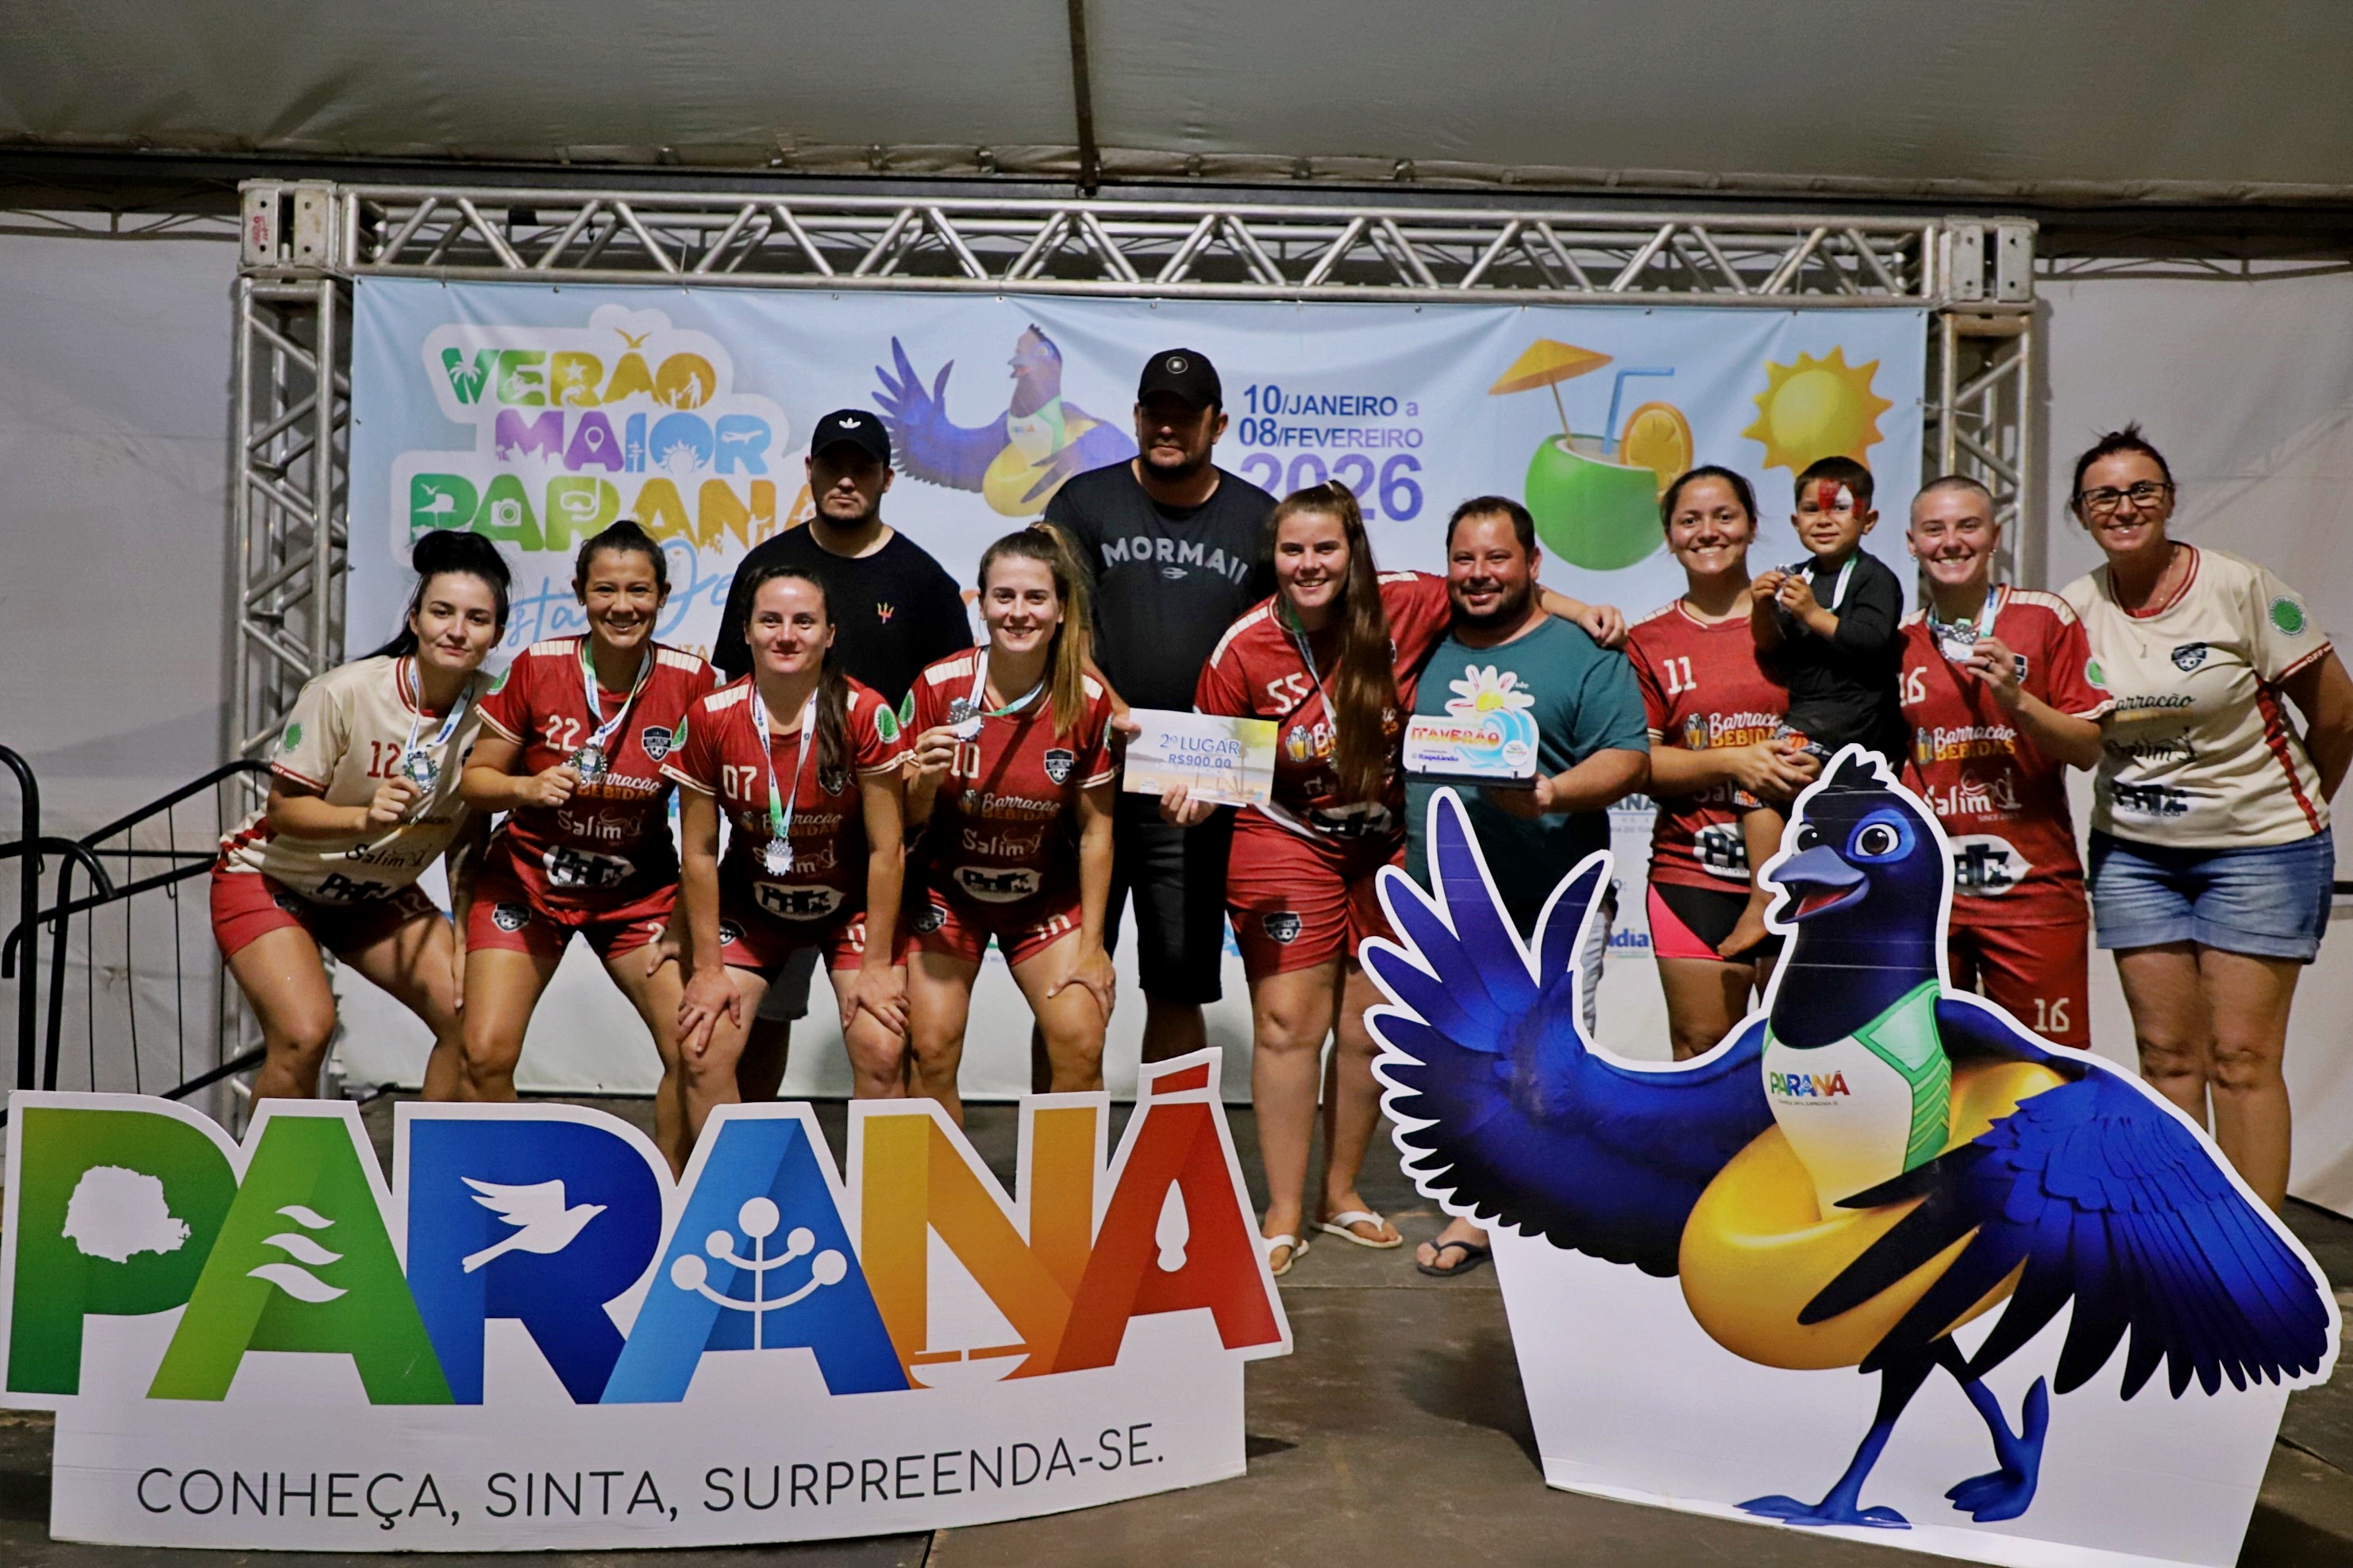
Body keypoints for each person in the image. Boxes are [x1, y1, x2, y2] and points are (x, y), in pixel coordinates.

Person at [1180, 482, 1613, 1275]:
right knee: (1287, 1021)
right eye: (1292, 550)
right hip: (1290, 835)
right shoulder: (1243, 646)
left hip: (1387, 838)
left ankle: (1340, 1194)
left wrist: (1581, 609)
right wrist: (1198, 796)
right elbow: (1213, 765)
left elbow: (1498, 585)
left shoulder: (1405, 601)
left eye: (1325, 548)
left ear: (1354, 551)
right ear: (1273, 557)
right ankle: (1282, 1209)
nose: (1309, 564)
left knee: (1367, 1025)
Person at [2060, 426, 2353, 1210]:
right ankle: (2183, 1243)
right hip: (2135, 856)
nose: (2125, 507)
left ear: (2169, 499)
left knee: (2241, 1058)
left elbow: (2336, 712)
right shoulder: (2074, 609)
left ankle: (2257, 1251)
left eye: (2142, 490)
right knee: (2165, 1058)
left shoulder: (2239, 586)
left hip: (2260, 852)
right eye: (2104, 496)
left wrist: (2294, 808)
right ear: (2082, 512)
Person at [1403, 497, 1650, 1280]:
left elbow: (1628, 758)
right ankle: (1489, 1201)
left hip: (1560, 897)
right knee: (1469, 1060)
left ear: (1533, 564)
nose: (1479, 574)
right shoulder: (1420, 638)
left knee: (1550, 1060)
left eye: (1497, 557)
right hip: (1450, 902)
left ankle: (1524, 1213)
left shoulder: (1584, 651)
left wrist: (1552, 794)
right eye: (1465, 559)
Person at [713, 409, 970, 1101]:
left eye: (863, 468)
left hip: (883, 841)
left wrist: (921, 776)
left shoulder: (924, 580)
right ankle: (754, 1156)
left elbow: (956, 699)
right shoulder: (767, 568)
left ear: (888, 478)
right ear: (811, 471)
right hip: (775, 838)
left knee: (888, 1034)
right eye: (833, 466)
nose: (847, 480)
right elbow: (733, 694)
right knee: (754, 1022)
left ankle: (888, 1172)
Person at [457, 520, 718, 1173]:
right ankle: (507, 1199)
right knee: (484, 1053)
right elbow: (475, 781)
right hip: (527, 885)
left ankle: (672, 1201)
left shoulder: (691, 679)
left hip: (636, 895)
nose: (622, 606)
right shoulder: (539, 665)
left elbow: (702, 822)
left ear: (662, 596)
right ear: (580, 592)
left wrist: (686, 921)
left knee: (693, 1051)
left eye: (638, 590)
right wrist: (526, 785)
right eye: (605, 589)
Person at [1039, 349, 1277, 1066]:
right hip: (1087, 775)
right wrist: (1116, 710)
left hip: (1195, 787)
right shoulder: (1082, 503)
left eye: (1184, 416)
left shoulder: (1259, 520)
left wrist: (1226, 766)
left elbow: (1272, 655)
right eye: (1156, 414)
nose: (1167, 428)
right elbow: (1058, 631)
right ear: (1137, 416)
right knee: (1065, 984)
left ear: (1217, 424)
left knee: (1177, 984)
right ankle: (1062, 1138)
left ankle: (1170, 1142)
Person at [211, 529, 508, 1101]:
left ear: (495, 633)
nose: (457, 630)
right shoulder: (343, 692)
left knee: (468, 1018)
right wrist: (361, 820)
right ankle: (273, 1161)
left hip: (371, 894)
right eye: (442, 612)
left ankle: (429, 1158)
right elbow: (283, 809)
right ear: (415, 618)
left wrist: (465, 936)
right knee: (304, 1033)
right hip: (273, 877)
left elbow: (470, 830)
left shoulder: (493, 710)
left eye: (477, 619)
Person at [664, 567, 912, 1142]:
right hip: (752, 909)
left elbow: (887, 848)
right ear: (746, 631)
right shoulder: (710, 716)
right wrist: (707, 969)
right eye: (770, 620)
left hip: (848, 906)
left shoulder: (864, 712)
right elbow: (697, 852)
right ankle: (737, 1196)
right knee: (702, 1049)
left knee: (881, 1048)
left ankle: (883, 1199)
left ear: (829, 634)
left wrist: (877, 966)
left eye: (804, 622)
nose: (786, 635)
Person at [902, 531, 1119, 1123]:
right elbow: (905, 823)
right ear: (981, 603)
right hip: (947, 895)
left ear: (1061, 611)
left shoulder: (1088, 699)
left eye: (1035, 598)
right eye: (1003, 596)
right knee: (930, 1046)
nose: (1018, 613)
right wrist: (923, 782)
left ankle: (1061, 1184)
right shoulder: (938, 687)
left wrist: (1093, 948)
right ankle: (939, 1183)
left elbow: (1097, 832)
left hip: (1043, 898)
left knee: (1081, 1039)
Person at [1897, 476, 2108, 1048]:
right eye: (1934, 529)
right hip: (1929, 901)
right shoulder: (1898, 641)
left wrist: (2017, 700)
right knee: (1929, 1072)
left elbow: (2088, 748)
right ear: (1912, 543)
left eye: (1968, 526)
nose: (1951, 542)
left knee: (2044, 1073)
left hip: (2032, 892)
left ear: (1994, 536)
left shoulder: (2045, 618)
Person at [1626, 467, 1818, 1062]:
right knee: (1703, 1053)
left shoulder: (1803, 623)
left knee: (1808, 1062)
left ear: (1753, 527)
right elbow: (1639, 765)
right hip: (1693, 874)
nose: (1707, 532)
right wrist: (1736, 762)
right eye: (1690, 520)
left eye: (1724, 516)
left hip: (1810, 875)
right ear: (1670, 537)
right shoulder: (1648, 640)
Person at [1727, 456, 1907, 956]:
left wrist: (1812, 612)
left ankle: (1767, 899)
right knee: (1771, 786)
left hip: (1857, 719)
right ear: (1794, 521)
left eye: (1840, 508)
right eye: (1811, 510)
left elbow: (1873, 643)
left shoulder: (1875, 578)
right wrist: (1761, 606)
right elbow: (1771, 647)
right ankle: (1789, 897)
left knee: (1762, 778)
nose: (1824, 519)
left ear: (1868, 519)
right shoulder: (1796, 575)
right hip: (1808, 713)